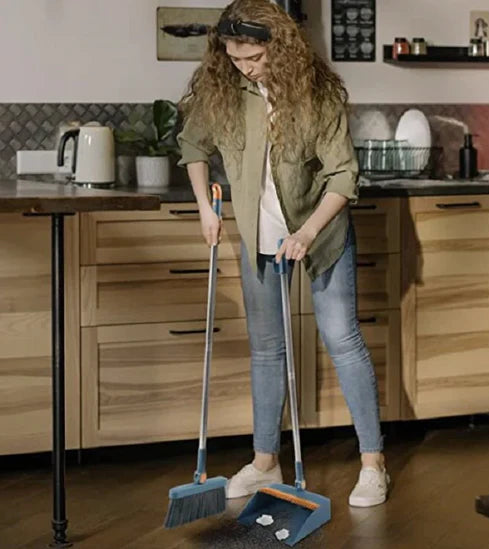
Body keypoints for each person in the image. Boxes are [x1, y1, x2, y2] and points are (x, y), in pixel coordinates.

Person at [177, 0, 389, 508]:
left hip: (321, 233)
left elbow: (343, 175)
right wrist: (206, 208)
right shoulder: (225, 87)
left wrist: (309, 231)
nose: (244, 67)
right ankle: (265, 460)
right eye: (234, 58)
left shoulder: (316, 92)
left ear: (278, 46)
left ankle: (372, 464)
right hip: (259, 237)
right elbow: (193, 144)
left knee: (342, 339)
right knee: (267, 349)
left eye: (253, 57)